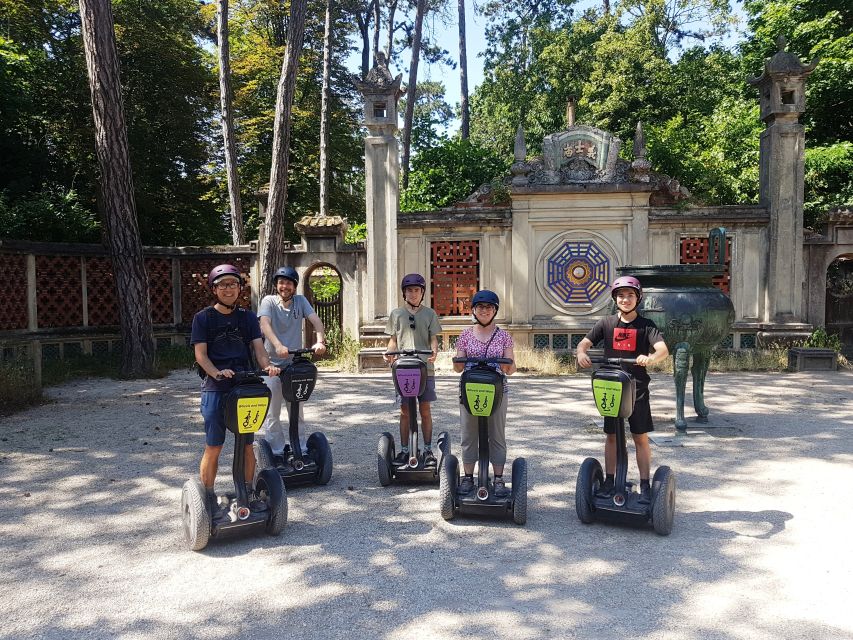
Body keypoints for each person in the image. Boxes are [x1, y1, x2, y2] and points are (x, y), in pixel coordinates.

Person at [190, 264, 280, 516]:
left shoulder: (248, 318)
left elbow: (259, 351)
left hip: (244, 385)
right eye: (222, 285)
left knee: (246, 444)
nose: (228, 289)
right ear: (214, 289)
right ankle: (207, 496)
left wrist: (268, 367)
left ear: (239, 288)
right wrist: (217, 372)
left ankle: (248, 492)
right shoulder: (203, 318)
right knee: (214, 445)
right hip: (215, 388)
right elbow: (201, 355)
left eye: (232, 284)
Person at [575, 275, 669, 503]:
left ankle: (645, 485)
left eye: (629, 295)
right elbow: (584, 343)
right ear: (615, 299)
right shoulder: (605, 323)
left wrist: (650, 358)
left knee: (640, 437)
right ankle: (609, 480)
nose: (625, 299)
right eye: (621, 296)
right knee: (611, 436)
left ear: (637, 298)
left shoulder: (646, 326)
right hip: (611, 387)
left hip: (636, 388)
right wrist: (581, 353)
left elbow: (663, 350)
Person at [257, 266, 327, 461]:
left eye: (288, 283)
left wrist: (320, 340)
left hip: (292, 366)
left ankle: (301, 449)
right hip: (271, 366)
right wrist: (278, 345)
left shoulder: (300, 301)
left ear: (294, 286)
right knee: (273, 412)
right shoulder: (268, 301)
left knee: (296, 410)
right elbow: (264, 324)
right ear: (276, 285)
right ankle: (277, 452)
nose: (284, 286)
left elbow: (316, 321)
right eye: (281, 282)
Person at [453, 290, 516, 496]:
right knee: (469, 434)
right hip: (470, 389)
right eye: (480, 307)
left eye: (489, 307)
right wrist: (458, 359)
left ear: (495, 310)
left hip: (498, 391)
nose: (484, 311)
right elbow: (458, 368)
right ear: (473, 310)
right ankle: (468, 477)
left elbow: (510, 367)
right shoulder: (464, 335)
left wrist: (509, 365)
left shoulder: (504, 336)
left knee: (496, 434)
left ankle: (498, 478)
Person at [383, 273, 442, 468]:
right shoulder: (396, 314)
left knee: (425, 409)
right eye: (409, 290)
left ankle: (427, 450)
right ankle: (405, 450)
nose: (413, 294)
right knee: (405, 411)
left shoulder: (430, 314)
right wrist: (389, 352)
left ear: (422, 292)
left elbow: (433, 338)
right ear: (404, 293)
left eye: (417, 290)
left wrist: (434, 350)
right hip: (403, 369)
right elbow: (393, 339)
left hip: (425, 368)